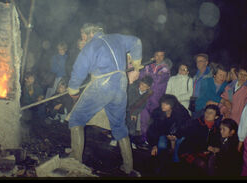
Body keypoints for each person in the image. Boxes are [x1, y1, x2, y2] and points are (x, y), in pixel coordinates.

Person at [67, 23, 143, 177]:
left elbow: (78, 70)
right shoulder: (117, 38)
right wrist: (136, 67)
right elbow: (137, 42)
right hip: (121, 85)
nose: (82, 40)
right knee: (119, 126)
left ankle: (75, 163)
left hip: (102, 84)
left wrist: (73, 90)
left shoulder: (91, 46)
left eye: (83, 36)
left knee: (76, 119)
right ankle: (128, 168)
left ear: (90, 33)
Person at [138, 49, 171, 146]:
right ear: (154, 56)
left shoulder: (166, 68)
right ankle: (143, 139)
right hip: (146, 96)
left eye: (161, 55)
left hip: (157, 98)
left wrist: (149, 76)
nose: (159, 58)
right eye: (157, 55)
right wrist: (153, 76)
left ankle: (153, 142)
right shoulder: (148, 66)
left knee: (154, 120)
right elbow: (141, 77)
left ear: (163, 56)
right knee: (144, 119)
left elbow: (158, 80)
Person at [177, 104, 222, 176]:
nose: (207, 114)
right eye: (206, 112)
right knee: (202, 164)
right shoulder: (196, 123)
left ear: (216, 117)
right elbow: (192, 141)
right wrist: (206, 148)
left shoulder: (215, 129)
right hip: (188, 150)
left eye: (211, 113)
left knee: (212, 162)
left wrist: (216, 148)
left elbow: (216, 142)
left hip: (203, 152)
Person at [148, 94, 191, 163]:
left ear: (172, 105)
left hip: (179, 135)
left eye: (166, 104)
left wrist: (176, 136)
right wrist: (154, 145)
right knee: (161, 146)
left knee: (177, 157)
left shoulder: (181, 112)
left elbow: (186, 127)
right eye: (162, 103)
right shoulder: (157, 112)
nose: (163, 105)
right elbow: (152, 129)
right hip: (164, 134)